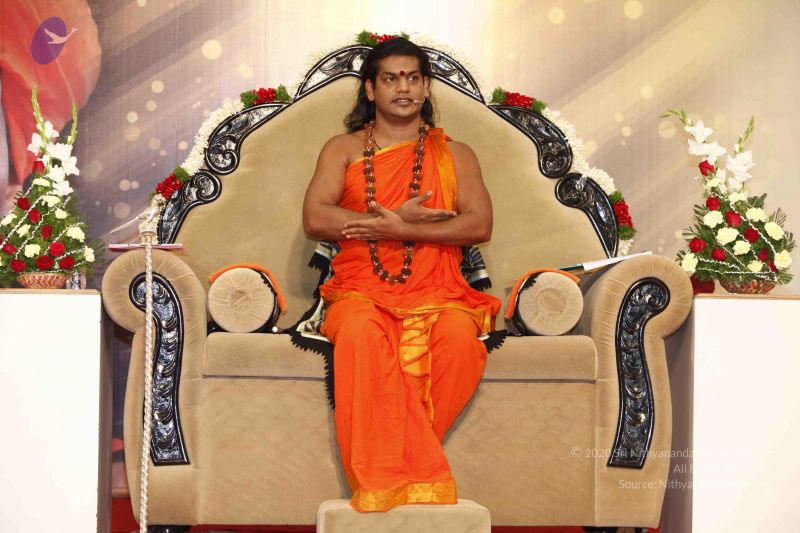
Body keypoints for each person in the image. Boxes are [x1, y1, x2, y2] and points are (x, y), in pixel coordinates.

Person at [302, 37, 501, 513]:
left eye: (413, 78)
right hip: (359, 291)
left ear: (427, 86)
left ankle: (391, 475)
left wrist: (406, 229)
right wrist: (383, 225)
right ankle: (409, 478)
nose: (403, 88)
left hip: (441, 291)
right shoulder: (342, 149)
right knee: (359, 335)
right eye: (390, 79)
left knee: (460, 343)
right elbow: (315, 216)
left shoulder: (458, 155)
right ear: (371, 90)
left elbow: (480, 225)